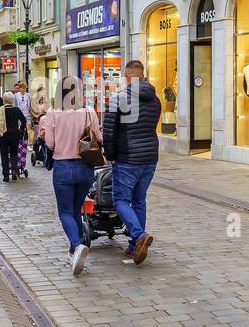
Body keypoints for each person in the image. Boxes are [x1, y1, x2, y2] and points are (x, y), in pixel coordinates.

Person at [39, 76, 101, 276]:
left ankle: (76, 246)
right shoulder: (88, 112)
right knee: (76, 209)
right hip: (85, 167)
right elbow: (98, 137)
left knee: (65, 212)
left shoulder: (53, 113)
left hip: (63, 167)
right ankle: (74, 248)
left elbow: (50, 143)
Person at [103, 60, 161, 265]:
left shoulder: (119, 99)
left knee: (120, 200)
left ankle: (138, 235)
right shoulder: (155, 99)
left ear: (128, 77)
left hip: (128, 158)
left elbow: (109, 131)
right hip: (150, 157)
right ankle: (133, 246)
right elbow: (152, 124)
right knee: (139, 200)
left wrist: (109, 154)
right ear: (142, 76)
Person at [0, 91, 27, 183]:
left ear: (4, 100)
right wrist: (21, 129)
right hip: (15, 134)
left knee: (4, 155)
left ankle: (5, 176)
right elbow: (23, 120)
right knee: (14, 153)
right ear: (12, 100)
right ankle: (14, 171)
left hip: (3, 135)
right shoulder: (16, 110)